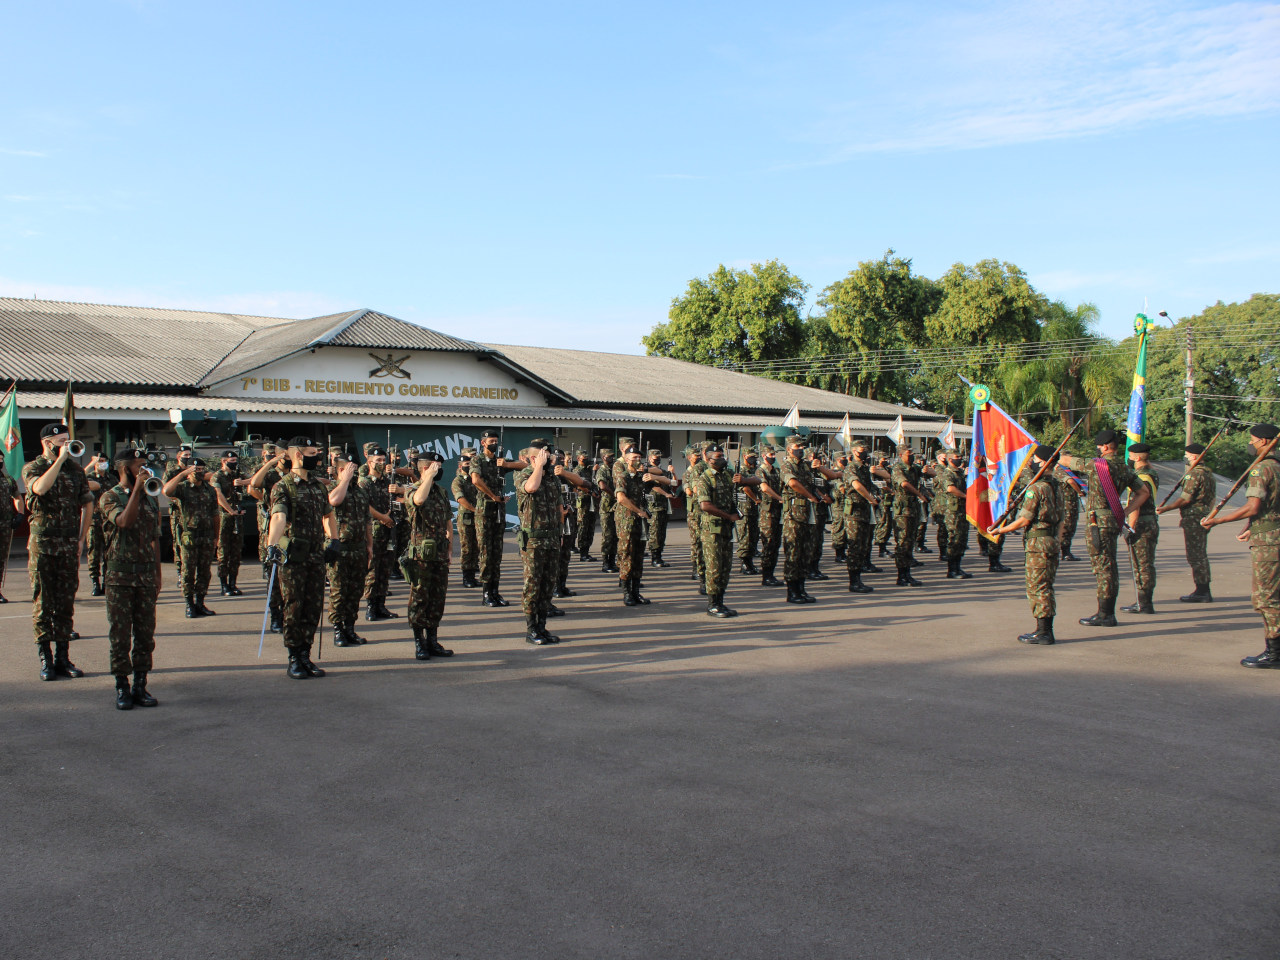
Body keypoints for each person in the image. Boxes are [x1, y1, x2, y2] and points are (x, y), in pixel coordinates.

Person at [263, 437, 340, 679]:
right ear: (297, 455)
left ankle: (306, 655)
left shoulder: (318, 486)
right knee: (294, 607)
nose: (316, 456)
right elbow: (278, 517)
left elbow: (328, 516)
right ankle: (294, 657)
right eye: (312, 452)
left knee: (312, 607)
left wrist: (334, 540)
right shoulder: (283, 486)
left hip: (316, 555)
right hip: (294, 557)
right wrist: (272, 546)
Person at [24, 423, 94, 681]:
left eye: (68, 440)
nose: (67, 444)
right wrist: (59, 460)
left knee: (65, 603)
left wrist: (81, 538)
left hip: (67, 544)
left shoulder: (76, 470)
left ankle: (64, 658)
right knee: (43, 602)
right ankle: (46, 659)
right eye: (62, 440)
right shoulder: (33, 467)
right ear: (48, 442)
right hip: (43, 544)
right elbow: (40, 489)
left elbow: (88, 502)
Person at [1060, 428, 1150, 627]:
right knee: (1110, 565)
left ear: (1107, 446)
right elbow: (1143, 492)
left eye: (1099, 446)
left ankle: (1105, 614)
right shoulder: (1125, 468)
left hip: (1097, 523)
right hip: (1112, 520)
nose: (1098, 450)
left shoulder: (1097, 465)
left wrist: (1055, 453)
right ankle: (1106, 611)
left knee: (1103, 568)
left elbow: (1065, 461)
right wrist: (1125, 511)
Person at [98, 449, 163, 708]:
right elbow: (124, 522)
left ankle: (140, 685)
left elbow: (154, 538)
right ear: (125, 469)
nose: (146, 470)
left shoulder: (150, 496)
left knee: (145, 635)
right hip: (120, 577)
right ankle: (122, 686)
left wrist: (158, 574)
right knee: (121, 636)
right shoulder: (109, 497)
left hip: (145, 575)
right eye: (140, 466)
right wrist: (137, 489)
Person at [991, 445, 1063, 645]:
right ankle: (1044, 630)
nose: (1031, 462)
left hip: (1038, 542)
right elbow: (1062, 520)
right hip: (1051, 541)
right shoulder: (1057, 485)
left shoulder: (1036, 488)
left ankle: (1044, 632)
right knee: (1046, 585)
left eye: (1034, 459)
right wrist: (1057, 540)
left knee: (1037, 587)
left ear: (1042, 462)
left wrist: (999, 530)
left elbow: (1024, 520)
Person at [162, 457, 234, 619]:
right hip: (190, 536)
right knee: (188, 572)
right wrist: (182, 475)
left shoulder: (209, 490)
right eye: (195, 470)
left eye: (201, 470)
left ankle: (200, 603)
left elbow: (215, 515)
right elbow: (166, 491)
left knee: (204, 572)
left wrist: (216, 537)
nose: (199, 473)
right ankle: (189, 604)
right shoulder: (183, 488)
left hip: (207, 537)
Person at [402, 451, 455, 660]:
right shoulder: (413, 490)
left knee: (437, 599)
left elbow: (448, 522)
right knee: (419, 599)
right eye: (436, 466)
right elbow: (418, 500)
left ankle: (433, 640)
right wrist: (427, 478)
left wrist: (450, 549)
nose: (440, 470)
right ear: (425, 468)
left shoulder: (441, 492)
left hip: (440, 553)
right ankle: (419, 641)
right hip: (421, 555)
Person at [1156, 442, 1218, 602]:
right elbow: (1212, 499)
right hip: (1203, 514)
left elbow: (1185, 499)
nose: (1186, 458)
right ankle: (1203, 588)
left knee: (1195, 555)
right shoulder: (1209, 474)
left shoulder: (1194, 474)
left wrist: (1166, 508)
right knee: (1200, 553)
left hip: (1193, 517)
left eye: (1188, 455)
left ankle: (1202, 590)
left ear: (1195, 456)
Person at [514, 441, 562, 644]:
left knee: (548, 584)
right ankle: (531, 628)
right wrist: (538, 467)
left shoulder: (552, 479)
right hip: (533, 539)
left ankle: (542, 626)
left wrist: (560, 533)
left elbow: (559, 505)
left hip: (551, 538)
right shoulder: (524, 474)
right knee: (533, 585)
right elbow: (531, 488)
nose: (550, 460)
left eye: (550, 457)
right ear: (534, 458)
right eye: (545, 456)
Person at [326, 451, 372, 648]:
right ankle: (338, 629)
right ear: (341, 470)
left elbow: (367, 520)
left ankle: (350, 628)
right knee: (339, 591)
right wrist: (343, 480)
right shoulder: (331, 487)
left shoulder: (361, 492)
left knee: (355, 591)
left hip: (359, 548)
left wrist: (370, 545)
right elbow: (334, 501)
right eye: (350, 469)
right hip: (340, 548)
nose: (354, 472)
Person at [780, 435, 829, 604]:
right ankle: (792, 591)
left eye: (801, 447)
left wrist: (819, 467)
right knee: (793, 553)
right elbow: (793, 483)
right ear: (789, 449)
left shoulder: (806, 466)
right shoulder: (786, 465)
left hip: (807, 514)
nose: (799, 449)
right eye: (796, 446)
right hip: (793, 515)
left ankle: (801, 588)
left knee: (805, 552)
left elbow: (826, 478)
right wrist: (810, 496)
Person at [697, 443, 744, 617]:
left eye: (722, 456)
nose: (722, 460)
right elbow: (705, 505)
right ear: (709, 460)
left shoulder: (727, 475)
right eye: (718, 457)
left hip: (725, 528)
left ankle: (721, 601)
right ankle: (713, 604)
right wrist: (728, 516)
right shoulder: (705, 478)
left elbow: (755, 480)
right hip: (712, 529)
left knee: (726, 566)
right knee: (714, 566)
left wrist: (743, 480)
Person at [470, 429, 515, 606]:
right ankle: (487, 593)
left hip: (498, 512)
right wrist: (493, 496)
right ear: (483, 443)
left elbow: (524, 466)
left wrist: (506, 465)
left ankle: (495, 592)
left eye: (496, 441)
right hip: (485, 511)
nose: (494, 444)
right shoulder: (477, 460)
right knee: (487, 554)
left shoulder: (499, 461)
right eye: (491, 441)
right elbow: (475, 480)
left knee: (497, 554)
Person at [248, 444, 286, 633]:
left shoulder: (296, 474)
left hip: (292, 533)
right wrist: (271, 463)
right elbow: (254, 485)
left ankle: (288, 615)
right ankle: (275, 616)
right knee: (274, 577)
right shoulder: (271, 474)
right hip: (273, 531)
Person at [359, 447, 399, 620]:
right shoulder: (364, 482)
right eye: (378, 461)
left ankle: (381, 605)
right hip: (373, 530)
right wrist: (382, 517)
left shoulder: (387, 482)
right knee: (373, 570)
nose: (382, 464)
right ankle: (370, 606)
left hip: (388, 530)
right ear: (369, 462)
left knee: (385, 568)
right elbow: (365, 506)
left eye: (384, 460)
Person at [1121, 443, 1160, 615]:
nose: (1128, 459)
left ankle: (1144, 603)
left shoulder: (1141, 477)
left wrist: (1130, 527)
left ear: (1136, 457)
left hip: (1142, 523)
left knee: (1141, 564)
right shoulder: (1151, 473)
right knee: (1146, 563)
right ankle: (1144, 601)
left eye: (1130, 456)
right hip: (1151, 521)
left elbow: (1135, 505)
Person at [839, 441, 882, 594]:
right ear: (855, 452)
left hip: (864, 511)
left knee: (863, 545)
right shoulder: (851, 467)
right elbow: (857, 486)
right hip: (855, 512)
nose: (865, 453)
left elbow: (869, 484)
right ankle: (854, 581)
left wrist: (877, 494)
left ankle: (858, 578)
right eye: (862, 450)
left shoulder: (863, 468)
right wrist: (871, 499)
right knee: (855, 546)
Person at [615, 442, 654, 606]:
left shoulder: (642, 477)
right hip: (627, 521)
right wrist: (638, 511)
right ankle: (627, 593)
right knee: (627, 556)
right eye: (634, 458)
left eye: (639, 457)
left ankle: (636, 592)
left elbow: (665, 481)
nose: (637, 460)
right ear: (627, 459)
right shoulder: (623, 476)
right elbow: (621, 498)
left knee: (639, 556)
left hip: (640, 521)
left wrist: (651, 477)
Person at [889, 446, 929, 586]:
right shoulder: (898, 468)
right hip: (903, 511)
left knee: (910, 541)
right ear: (901, 455)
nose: (911, 455)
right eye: (908, 453)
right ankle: (902, 575)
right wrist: (919, 494)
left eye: (913, 453)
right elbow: (904, 483)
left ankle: (907, 574)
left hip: (913, 509)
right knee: (903, 542)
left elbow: (928, 473)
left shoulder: (914, 468)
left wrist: (926, 469)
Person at [213, 449, 249, 597]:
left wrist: (243, 482)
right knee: (223, 552)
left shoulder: (237, 474)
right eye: (231, 461)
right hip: (224, 518)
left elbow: (255, 480)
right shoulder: (218, 476)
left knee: (236, 552)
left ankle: (233, 583)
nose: (234, 464)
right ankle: (224, 584)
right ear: (223, 461)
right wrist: (230, 511)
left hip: (237, 518)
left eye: (235, 461)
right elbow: (218, 495)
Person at [451, 447, 481, 588]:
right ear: (460, 465)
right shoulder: (458, 481)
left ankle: (473, 575)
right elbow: (460, 498)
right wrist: (474, 510)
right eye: (466, 464)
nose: (468, 467)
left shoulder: (474, 479)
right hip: (466, 518)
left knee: (476, 547)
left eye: (470, 464)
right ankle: (467, 577)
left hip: (477, 518)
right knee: (467, 548)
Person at [755, 445, 785, 587]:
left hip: (778, 510)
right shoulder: (760, 471)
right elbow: (764, 488)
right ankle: (766, 575)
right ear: (763, 456)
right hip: (767, 512)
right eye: (770, 455)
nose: (772, 457)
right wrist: (779, 497)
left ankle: (771, 573)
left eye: (774, 455)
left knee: (776, 544)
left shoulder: (776, 471)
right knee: (768, 543)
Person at [941, 451, 972, 579]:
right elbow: (950, 488)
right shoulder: (947, 473)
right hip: (953, 511)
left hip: (962, 510)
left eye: (960, 457)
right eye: (957, 458)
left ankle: (958, 567)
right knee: (954, 539)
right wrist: (966, 496)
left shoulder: (959, 473)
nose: (960, 459)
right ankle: (952, 569)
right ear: (949, 459)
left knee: (962, 539)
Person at [0, 457, 25, 603]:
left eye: (1, 459)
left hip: (4, 524)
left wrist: (20, 514)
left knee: (1, 559)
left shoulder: (8, 480)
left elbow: (17, 497)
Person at [682, 446, 708, 586]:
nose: (697, 457)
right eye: (694, 455)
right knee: (696, 541)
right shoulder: (688, 473)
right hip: (694, 511)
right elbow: (689, 492)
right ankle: (696, 568)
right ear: (689, 457)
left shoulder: (704, 469)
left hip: (705, 510)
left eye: (699, 455)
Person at [647, 449, 676, 567]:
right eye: (655, 458)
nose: (657, 460)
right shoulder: (647, 472)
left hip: (663, 506)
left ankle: (659, 556)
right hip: (654, 506)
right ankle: (655, 557)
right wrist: (665, 494)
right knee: (655, 533)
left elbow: (673, 483)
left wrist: (673, 473)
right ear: (649, 458)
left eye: (659, 457)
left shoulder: (663, 472)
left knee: (662, 532)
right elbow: (653, 486)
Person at [1055, 463, 1085, 561]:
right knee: (1067, 527)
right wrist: (1079, 492)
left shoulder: (1070, 470)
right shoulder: (1060, 469)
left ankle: (1065, 551)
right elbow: (1071, 481)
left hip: (1070, 502)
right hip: (1066, 503)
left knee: (1070, 527)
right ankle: (1064, 552)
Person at [574, 452, 599, 562]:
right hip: (583, 501)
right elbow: (577, 484)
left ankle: (587, 551)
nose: (586, 460)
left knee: (591, 527)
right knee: (583, 526)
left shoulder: (589, 469)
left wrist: (595, 470)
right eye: (584, 458)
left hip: (592, 501)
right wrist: (589, 491)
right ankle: (583, 553)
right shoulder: (577, 471)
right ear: (578, 458)